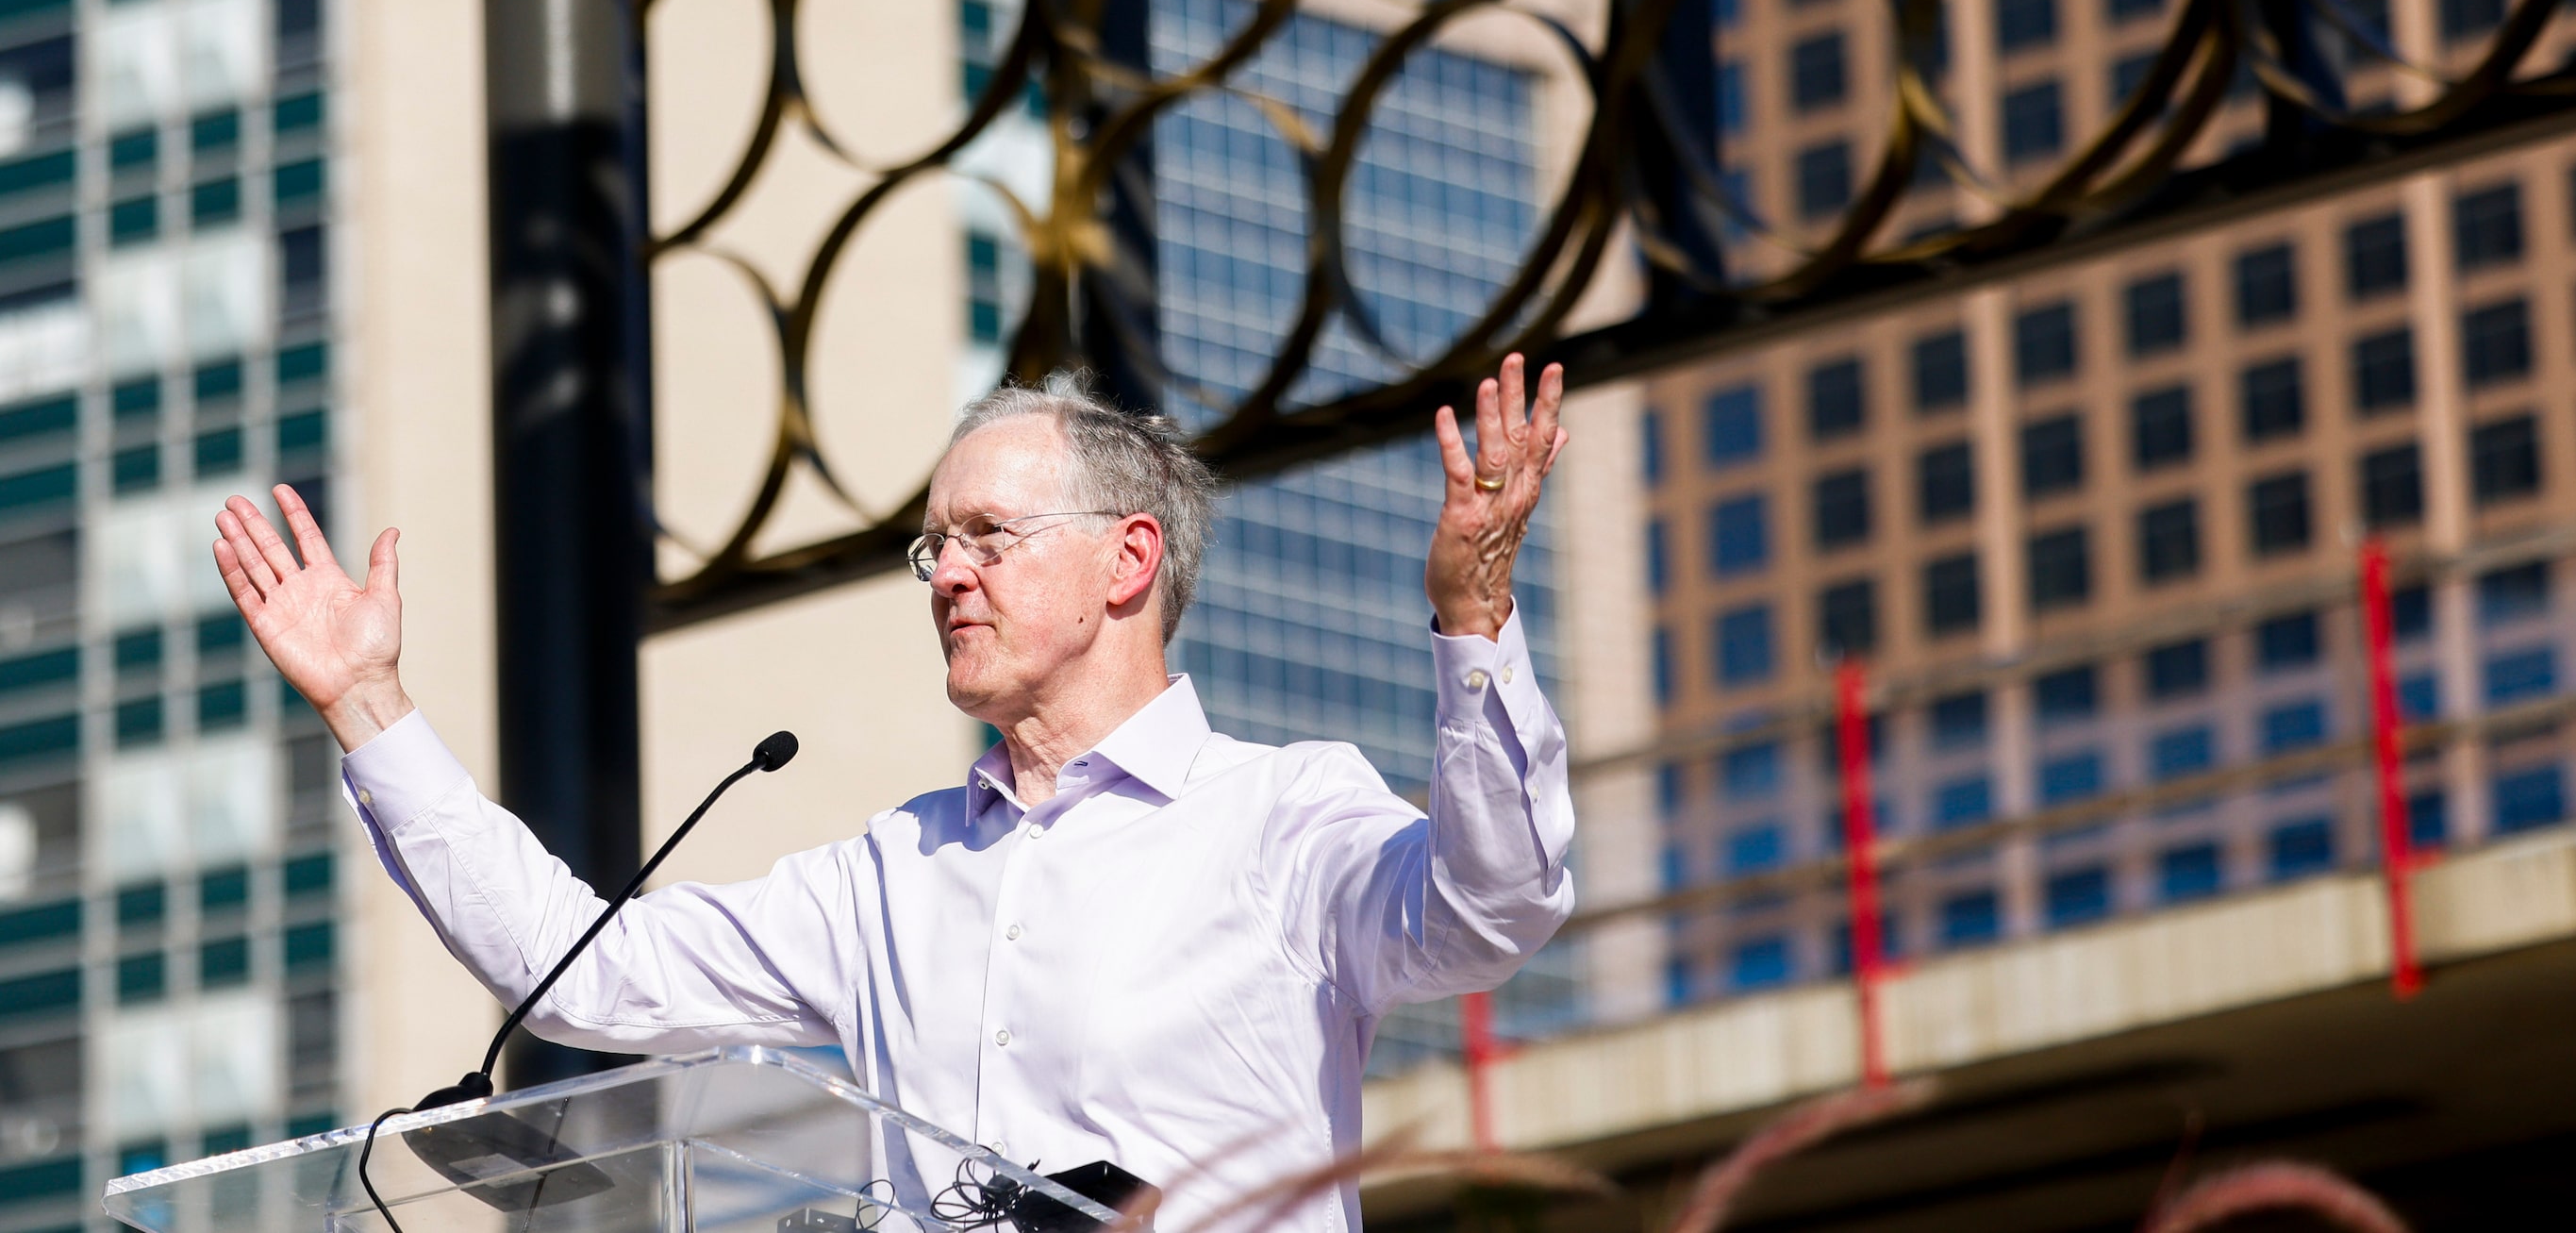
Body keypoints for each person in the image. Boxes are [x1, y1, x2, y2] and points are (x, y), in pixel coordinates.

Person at [211, 353, 1575, 1233]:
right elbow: (588, 979)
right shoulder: (892, 870)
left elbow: (1491, 907)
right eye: (933, 546)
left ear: (1127, 560)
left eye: (988, 535)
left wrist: (1476, 617)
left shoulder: (1283, 818)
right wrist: (367, 705)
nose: (947, 576)